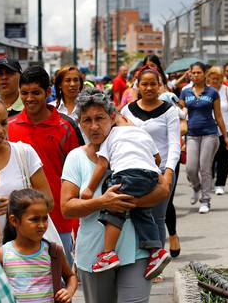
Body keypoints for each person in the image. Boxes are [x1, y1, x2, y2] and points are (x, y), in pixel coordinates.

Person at [61, 89, 170, 302]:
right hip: (94, 253)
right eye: (87, 120)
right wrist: (103, 202)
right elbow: (67, 208)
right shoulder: (76, 158)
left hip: (137, 251)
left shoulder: (133, 147)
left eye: (100, 118)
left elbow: (163, 189)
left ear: (112, 118)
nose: (94, 126)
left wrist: (128, 202)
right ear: (80, 124)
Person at [80, 110, 170, 278]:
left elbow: (102, 164)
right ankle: (156, 251)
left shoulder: (112, 135)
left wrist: (90, 189)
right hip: (150, 175)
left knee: (115, 209)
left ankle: (108, 253)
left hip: (126, 173)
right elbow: (157, 158)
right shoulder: (142, 133)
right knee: (142, 212)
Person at [8, 66, 83, 265]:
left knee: (61, 283)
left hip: (60, 222)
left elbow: (80, 174)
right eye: (24, 93)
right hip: (19, 223)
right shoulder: (9, 127)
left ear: (48, 92)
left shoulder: (66, 127)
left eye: (36, 93)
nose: (29, 98)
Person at [0, 94, 58, 242]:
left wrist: (16, 205)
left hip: (26, 254)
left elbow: (49, 202)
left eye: (3, 123)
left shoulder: (24, 153)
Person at [121, 69, 181, 263]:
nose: (148, 88)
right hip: (134, 171)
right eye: (144, 84)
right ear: (137, 85)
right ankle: (139, 259)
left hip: (163, 170)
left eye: (152, 84)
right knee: (135, 215)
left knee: (157, 217)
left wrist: (169, 171)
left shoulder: (170, 111)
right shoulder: (127, 111)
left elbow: (174, 144)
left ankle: (156, 260)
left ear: (159, 85)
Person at [0, 189, 77, 303]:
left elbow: (71, 277)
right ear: (14, 220)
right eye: (34, 219)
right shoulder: (1, 254)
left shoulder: (53, 252)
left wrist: (68, 292)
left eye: (45, 219)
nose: (42, 225)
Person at [178, 62, 228, 214]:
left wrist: (225, 136)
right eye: (193, 73)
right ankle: (196, 187)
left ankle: (206, 200)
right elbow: (181, 116)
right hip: (192, 135)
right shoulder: (185, 92)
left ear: (204, 74)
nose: (195, 75)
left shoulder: (212, 93)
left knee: (204, 167)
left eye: (198, 72)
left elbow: (219, 117)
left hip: (210, 134)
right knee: (190, 168)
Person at [207, 66, 228, 195]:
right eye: (213, 78)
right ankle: (208, 180)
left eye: (218, 78)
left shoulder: (227, 91)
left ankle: (220, 184)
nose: (215, 81)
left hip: (227, 129)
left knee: (224, 158)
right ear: (208, 78)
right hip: (209, 130)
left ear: (222, 78)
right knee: (209, 157)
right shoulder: (205, 91)